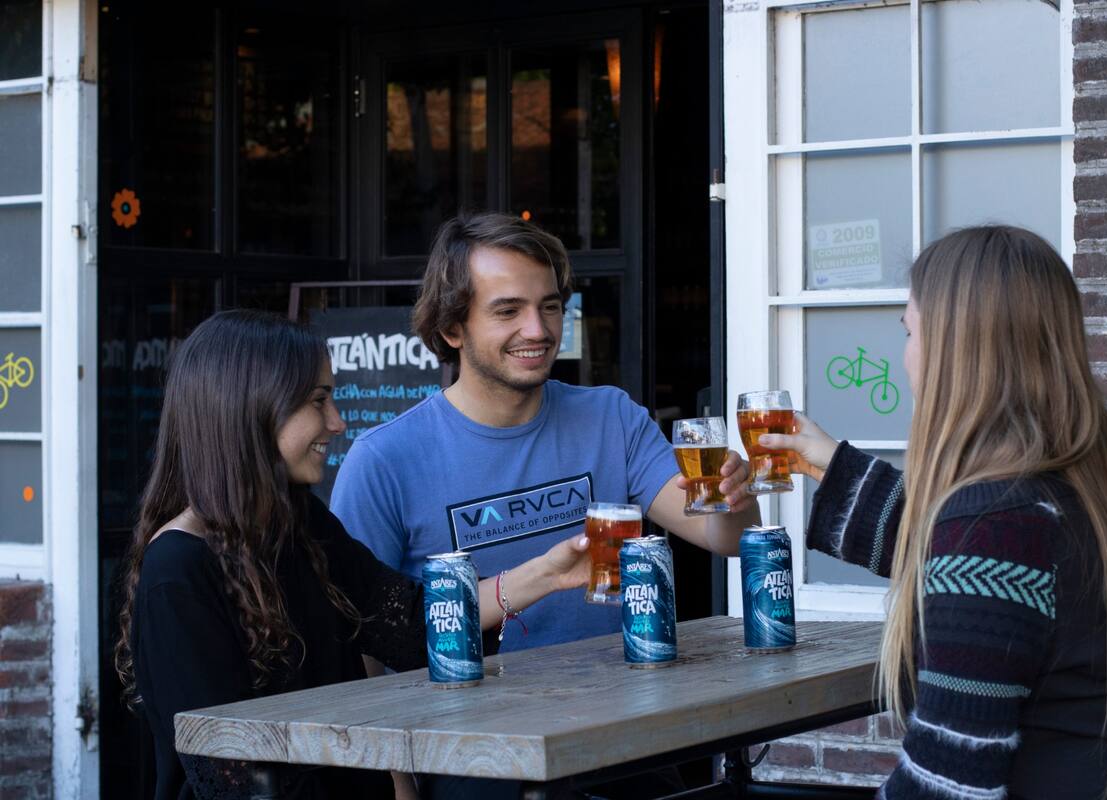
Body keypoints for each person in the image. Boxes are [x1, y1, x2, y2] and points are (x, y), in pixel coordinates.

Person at [754, 226, 1107, 799]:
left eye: (910, 332)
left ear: (955, 350)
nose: (905, 357)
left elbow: (945, 783)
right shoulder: (1087, 492)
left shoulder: (997, 523)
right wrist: (830, 466)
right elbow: (963, 560)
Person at [114, 310, 594, 800]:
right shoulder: (178, 568)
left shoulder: (297, 523)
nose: (337, 422)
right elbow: (229, 775)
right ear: (248, 409)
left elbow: (412, 625)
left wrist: (547, 574)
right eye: (318, 400)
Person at [332, 212, 759, 655]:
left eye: (550, 306)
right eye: (508, 310)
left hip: (618, 703)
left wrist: (735, 497)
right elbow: (358, 632)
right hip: (469, 717)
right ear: (452, 328)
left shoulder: (610, 415)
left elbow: (723, 538)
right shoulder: (382, 460)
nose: (538, 330)